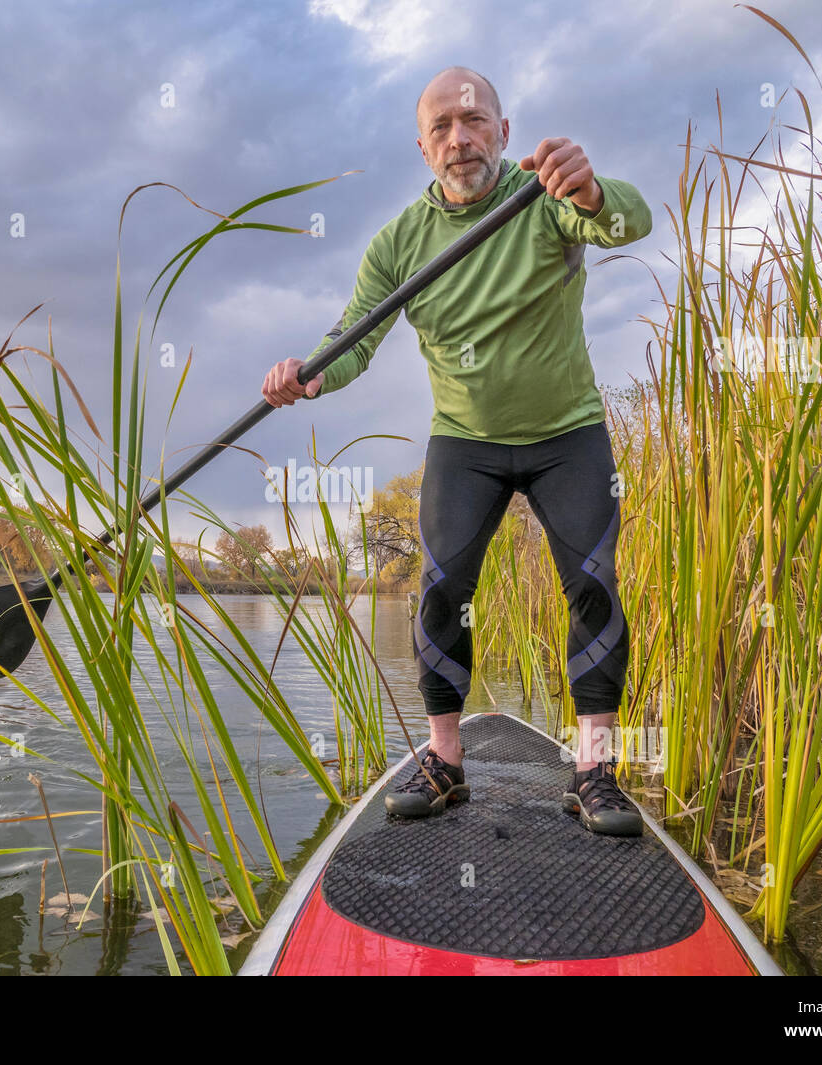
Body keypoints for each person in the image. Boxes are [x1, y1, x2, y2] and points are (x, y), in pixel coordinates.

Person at [260, 67, 650, 836]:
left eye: (474, 121)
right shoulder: (399, 243)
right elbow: (353, 340)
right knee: (440, 591)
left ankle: (597, 769)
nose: (459, 137)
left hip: (566, 432)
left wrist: (592, 190)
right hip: (465, 442)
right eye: (441, 126)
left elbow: (624, 223)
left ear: (503, 132)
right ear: (423, 146)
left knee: (594, 587)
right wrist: (305, 375)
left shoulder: (545, 196)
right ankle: (445, 760)